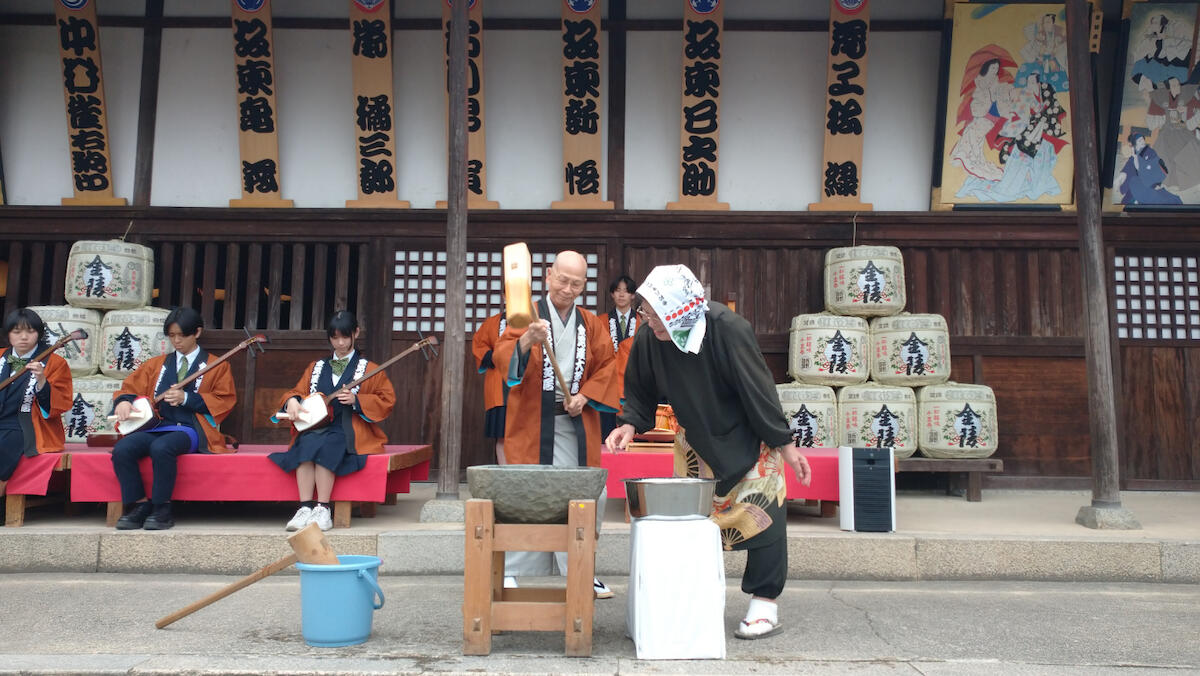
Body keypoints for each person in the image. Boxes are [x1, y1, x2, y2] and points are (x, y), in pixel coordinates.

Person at [606, 264, 812, 640]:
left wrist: (785, 444)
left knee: (765, 516)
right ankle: (696, 595)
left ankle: (764, 602)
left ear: (679, 309)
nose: (648, 320)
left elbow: (759, 388)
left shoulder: (727, 328)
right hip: (695, 441)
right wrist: (629, 424)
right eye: (644, 312)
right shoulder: (651, 335)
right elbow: (639, 387)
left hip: (750, 435)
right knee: (693, 523)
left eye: (655, 313)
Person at [494, 250, 618, 598]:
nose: (567, 289)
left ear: (584, 285)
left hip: (575, 423)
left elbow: (607, 366)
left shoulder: (590, 323)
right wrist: (526, 341)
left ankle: (582, 568)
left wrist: (585, 396)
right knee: (526, 492)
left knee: (587, 494)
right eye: (562, 280)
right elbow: (502, 355)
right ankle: (512, 570)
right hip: (532, 422)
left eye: (576, 284)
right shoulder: (526, 316)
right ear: (548, 275)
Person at [110, 307, 236, 530]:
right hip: (156, 426)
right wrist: (123, 402)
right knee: (122, 449)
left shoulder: (217, 365)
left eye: (182, 335)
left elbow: (224, 400)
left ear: (197, 332)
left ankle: (162, 508)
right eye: (171, 336)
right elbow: (130, 388)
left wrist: (187, 398)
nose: (176, 341)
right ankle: (139, 505)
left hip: (191, 429)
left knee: (162, 448)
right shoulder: (156, 364)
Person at [271, 311, 395, 532]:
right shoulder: (316, 367)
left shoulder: (369, 369)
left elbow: (386, 400)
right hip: (317, 425)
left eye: (345, 337)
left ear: (356, 333)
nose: (340, 343)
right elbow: (297, 391)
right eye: (335, 338)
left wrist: (358, 400)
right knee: (305, 445)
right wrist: (292, 401)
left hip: (347, 428)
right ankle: (305, 507)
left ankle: (323, 508)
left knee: (327, 446)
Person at [0, 309, 73, 498]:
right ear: (8, 334)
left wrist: (41, 380)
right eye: (17, 332)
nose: (23, 337)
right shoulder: (0, 356)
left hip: (27, 424)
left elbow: (61, 402)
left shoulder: (55, 363)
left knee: (3, 445)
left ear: (39, 334)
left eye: (30, 331)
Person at [600, 275, 637, 439]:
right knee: (605, 433)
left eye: (626, 291)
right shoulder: (600, 321)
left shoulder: (643, 322)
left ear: (632, 295)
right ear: (612, 294)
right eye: (617, 290)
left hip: (634, 385)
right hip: (608, 385)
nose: (621, 295)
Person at [471, 310, 508, 464]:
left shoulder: (534, 321)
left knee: (526, 435)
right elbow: (479, 343)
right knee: (502, 435)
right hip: (499, 383)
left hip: (527, 385)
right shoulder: (492, 323)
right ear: (504, 298)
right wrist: (493, 357)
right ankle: (506, 472)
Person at [1117, 130, 1182, 205]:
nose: (1143, 141)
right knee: (1133, 180)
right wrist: (1123, 174)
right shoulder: (1134, 154)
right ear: (1135, 144)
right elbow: (1129, 167)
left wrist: (1139, 164)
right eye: (1139, 141)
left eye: (1143, 139)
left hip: (1150, 180)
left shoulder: (1150, 152)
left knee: (1162, 198)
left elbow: (1154, 167)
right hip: (1141, 180)